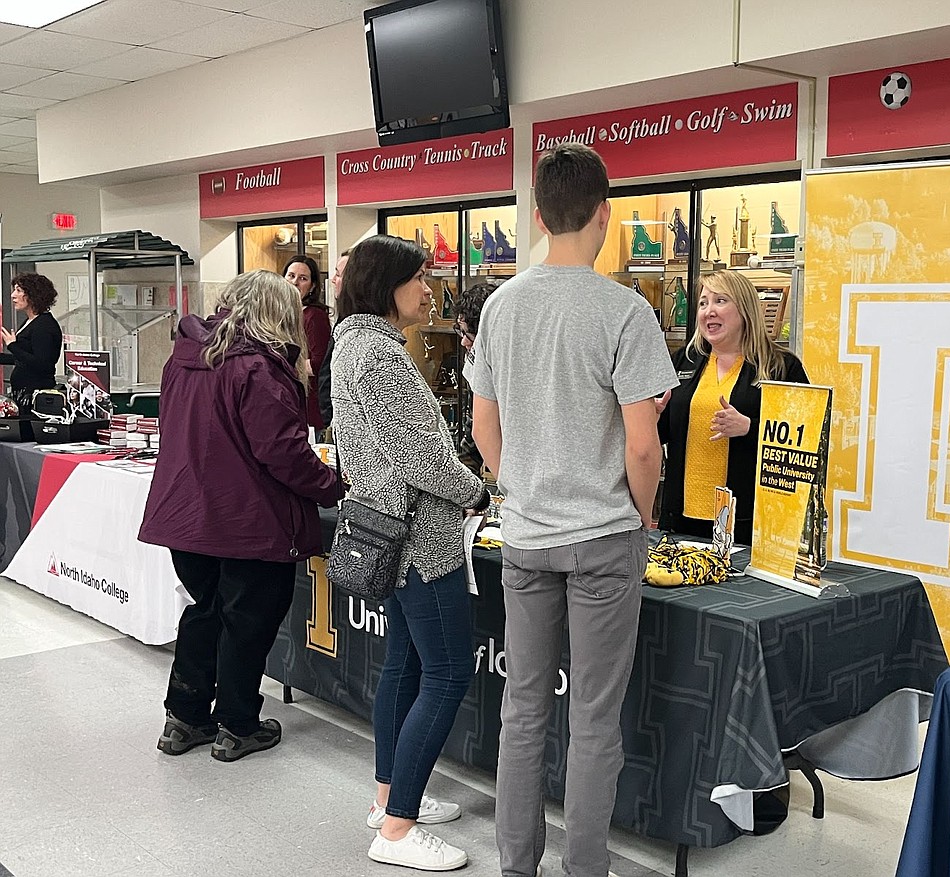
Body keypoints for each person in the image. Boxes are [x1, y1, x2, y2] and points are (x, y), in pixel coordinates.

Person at [471, 144, 678, 877]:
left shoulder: (500, 306)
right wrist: (644, 514)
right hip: (603, 538)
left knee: (522, 709)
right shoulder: (624, 312)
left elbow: (482, 429)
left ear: (535, 215)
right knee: (593, 717)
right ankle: (585, 867)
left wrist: (518, 484)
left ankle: (514, 865)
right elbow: (644, 447)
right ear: (605, 215)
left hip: (525, 539)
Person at [330, 234, 490, 871]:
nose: (429, 290)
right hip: (421, 541)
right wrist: (479, 492)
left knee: (404, 663)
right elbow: (421, 459)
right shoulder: (382, 358)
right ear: (385, 286)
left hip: (384, 533)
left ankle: (389, 797)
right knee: (447, 673)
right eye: (419, 279)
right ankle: (397, 831)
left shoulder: (351, 345)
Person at [139, 270, 343, 762]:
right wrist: (333, 485)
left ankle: (184, 717)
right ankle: (238, 724)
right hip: (248, 519)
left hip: (186, 512)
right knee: (247, 622)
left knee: (205, 611)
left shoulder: (186, 357)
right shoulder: (259, 367)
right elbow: (283, 452)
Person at [656, 269, 809, 541]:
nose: (708, 311)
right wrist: (651, 418)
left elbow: (805, 441)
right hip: (682, 520)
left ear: (745, 309)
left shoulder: (781, 367)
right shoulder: (684, 361)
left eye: (720, 301)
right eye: (703, 303)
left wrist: (750, 428)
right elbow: (660, 433)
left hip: (748, 525)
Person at [0, 273, 64, 413]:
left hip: (34, 396)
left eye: (18, 290)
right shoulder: (32, 321)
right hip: (23, 394)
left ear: (32, 295)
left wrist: (12, 346)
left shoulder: (44, 326)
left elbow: (42, 363)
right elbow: (24, 358)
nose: (13, 295)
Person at [451, 282, 497, 466]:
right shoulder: (477, 370)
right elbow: (471, 446)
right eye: (461, 332)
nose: (464, 342)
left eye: (469, 334)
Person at [283, 254, 331, 432]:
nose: (295, 282)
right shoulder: (283, 313)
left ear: (312, 286)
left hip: (311, 407)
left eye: (303, 278)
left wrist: (282, 366)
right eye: (291, 275)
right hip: (290, 401)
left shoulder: (314, 316)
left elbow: (320, 363)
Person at [315, 248, 350, 429]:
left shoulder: (355, 326)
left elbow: (321, 366)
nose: (333, 280)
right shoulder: (344, 317)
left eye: (338, 274)